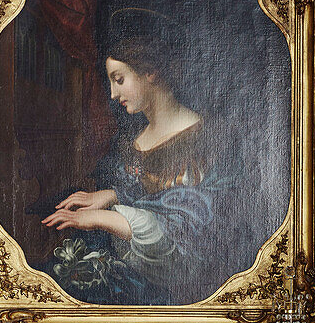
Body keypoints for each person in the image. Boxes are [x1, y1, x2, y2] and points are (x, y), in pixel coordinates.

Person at [41, 16, 245, 305]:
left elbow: (185, 237)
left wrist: (101, 217)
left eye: (119, 80)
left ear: (149, 72)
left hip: (182, 292)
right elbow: (149, 194)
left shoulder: (212, 141)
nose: (113, 94)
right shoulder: (133, 142)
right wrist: (111, 195)